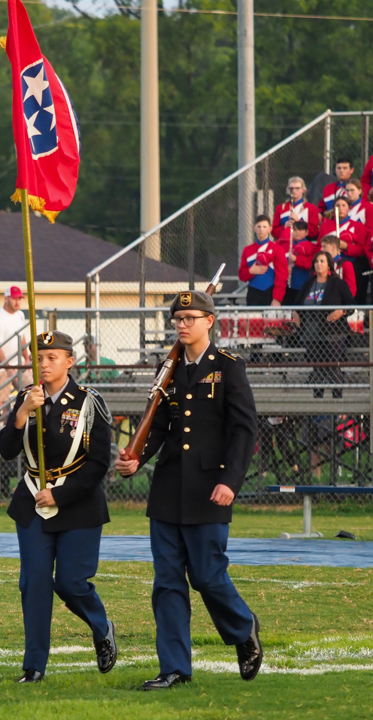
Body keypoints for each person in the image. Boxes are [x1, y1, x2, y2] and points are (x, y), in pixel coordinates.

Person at [115, 291, 262, 690]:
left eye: (189, 318)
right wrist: (136, 459)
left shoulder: (228, 366)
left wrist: (231, 481)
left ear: (209, 321)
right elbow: (159, 426)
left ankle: (243, 627)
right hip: (168, 488)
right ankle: (175, 668)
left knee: (208, 576)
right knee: (166, 582)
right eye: (177, 319)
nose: (181, 324)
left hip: (210, 488)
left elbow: (244, 429)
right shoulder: (168, 368)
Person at [0, 331, 117, 683]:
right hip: (32, 501)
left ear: (69, 361)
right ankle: (34, 665)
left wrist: (60, 496)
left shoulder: (88, 402)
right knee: (33, 583)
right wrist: (21, 414)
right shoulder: (26, 399)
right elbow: (7, 450)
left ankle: (101, 627)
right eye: (38, 358)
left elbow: (99, 463)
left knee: (70, 582)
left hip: (77, 503)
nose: (44, 364)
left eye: (52, 358)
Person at [295, 252, 353, 399]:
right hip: (311, 331)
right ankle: (318, 398)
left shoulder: (338, 283)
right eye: (316, 261)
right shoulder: (308, 284)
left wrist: (341, 311)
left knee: (333, 366)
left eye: (322, 261)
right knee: (317, 368)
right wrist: (295, 314)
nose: (318, 264)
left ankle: (337, 398)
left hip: (333, 332)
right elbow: (297, 304)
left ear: (329, 265)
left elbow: (351, 305)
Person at [0, 287, 30, 423]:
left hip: (17, 364)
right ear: (6, 299)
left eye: (20, 299)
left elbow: (22, 338)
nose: (18, 302)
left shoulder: (19, 315)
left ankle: (13, 431)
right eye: (14, 299)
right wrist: (8, 368)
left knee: (30, 394)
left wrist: (27, 358)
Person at [238, 215, 286, 306]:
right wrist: (251, 271)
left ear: (270, 229)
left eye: (264, 227)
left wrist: (277, 299)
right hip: (253, 293)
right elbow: (242, 276)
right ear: (254, 228)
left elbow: (282, 276)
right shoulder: (247, 250)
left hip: (270, 293)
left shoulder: (277, 249)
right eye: (259, 226)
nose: (261, 230)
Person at [272, 177, 320, 244]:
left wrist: (298, 221)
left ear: (303, 190)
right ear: (288, 190)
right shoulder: (280, 208)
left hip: (303, 245)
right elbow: (273, 231)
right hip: (284, 244)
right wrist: (284, 227)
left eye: (297, 188)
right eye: (291, 188)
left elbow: (314, 232)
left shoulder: (311, 208)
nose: (294, 191)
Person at [284, 220, 319, 305]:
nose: (297, 232)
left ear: (306, 232)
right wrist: (285, 268)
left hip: (304, 284)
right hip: (288, 284)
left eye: (300, 230)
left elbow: (312, 263)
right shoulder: (286, 245)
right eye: (295, 230)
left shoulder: (312, 246)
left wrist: (297, 259)